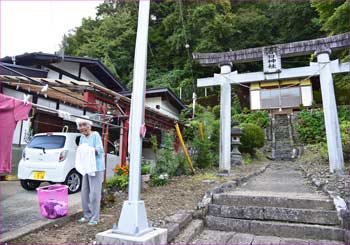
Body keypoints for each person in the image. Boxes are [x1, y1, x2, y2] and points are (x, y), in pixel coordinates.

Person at [76, 117, 104, 226]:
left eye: (84, 125)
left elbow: (100, 150)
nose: (82, 128)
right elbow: (81, 149)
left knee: (94, 193)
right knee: (84, 192)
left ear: (89, 126)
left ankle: (95, 217)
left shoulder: (96, 135)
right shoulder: (82, 137)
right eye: (80, 126)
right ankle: (87, 215)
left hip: (96, 167)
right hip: (86, 167)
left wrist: (89, 151)